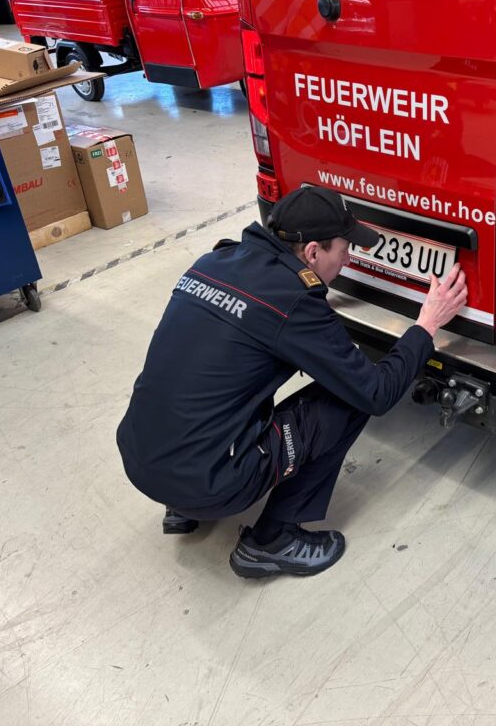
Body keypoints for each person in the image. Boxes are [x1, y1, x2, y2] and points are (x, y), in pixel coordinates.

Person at [116, 187, 467, 578]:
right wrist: (427, 325)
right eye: (344, 249)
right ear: (313, 252)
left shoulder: (214, 262)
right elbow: (376, 393)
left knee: (219, 372)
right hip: (207, 484)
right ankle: (272, 541)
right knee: (350, 399)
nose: (348, 259)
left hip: (139, 456)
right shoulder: (292, 300)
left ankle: (181, 503)